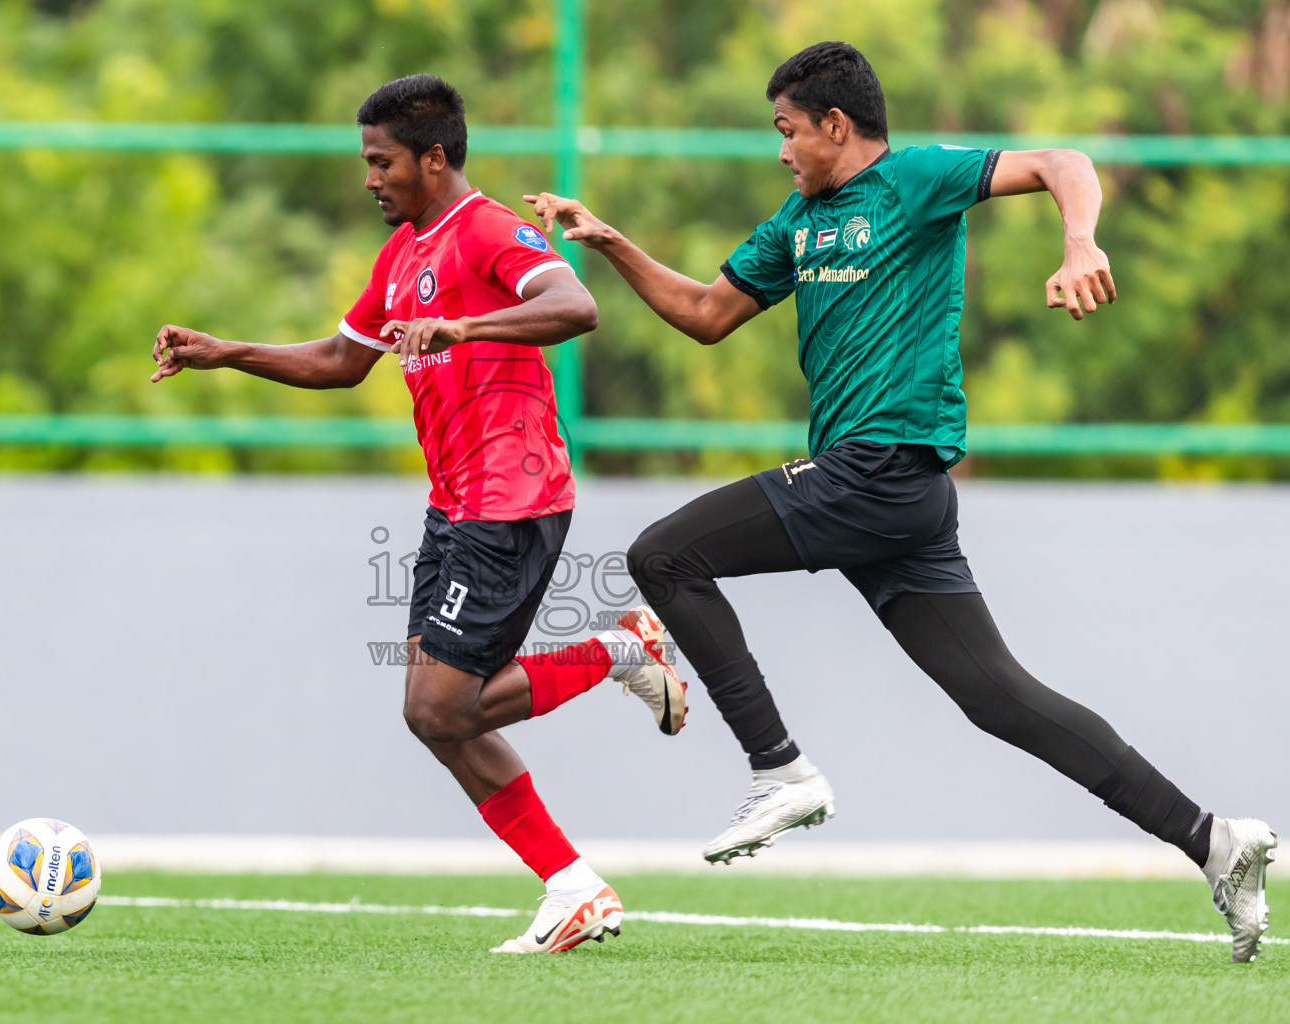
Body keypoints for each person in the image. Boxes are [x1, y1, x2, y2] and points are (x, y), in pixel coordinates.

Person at [527, 41, 1277, 962]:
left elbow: (1062, 163)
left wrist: (1080, 239)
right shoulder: (796, 220)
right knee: (1003, 701)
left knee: (663, 555)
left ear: (835, 126)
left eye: (787, 131)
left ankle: (779, 768)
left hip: (881, 472)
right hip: (892, 499)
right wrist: (607, 242)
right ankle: (1214, 841)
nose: (781, 152)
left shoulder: (917, 180)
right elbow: (705, 314)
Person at [149, 73, 686, 955]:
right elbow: (338, 359)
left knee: (441, 708)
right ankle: (573, 885)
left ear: (433, 158)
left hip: (512, 500)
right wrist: (228, 351)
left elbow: (574, 305)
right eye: (367, 161)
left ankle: (621, 650)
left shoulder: (484, 232)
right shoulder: (401, 256)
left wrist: (466, 330)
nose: (369, 177)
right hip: (455, 505)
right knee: (433, 713)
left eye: (381, 160)